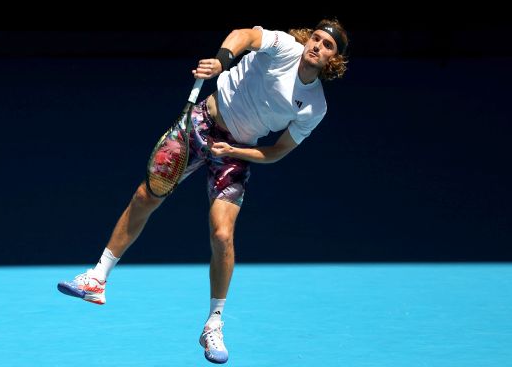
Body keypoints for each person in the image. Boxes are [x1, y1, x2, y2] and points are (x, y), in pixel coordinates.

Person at [57, 18, 349, 364]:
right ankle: (97, 278)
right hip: (200, 124)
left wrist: (235, 153)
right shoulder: (285, 46)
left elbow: (278, 151)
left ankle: (213, 324)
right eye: (315, 38)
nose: (316, 46)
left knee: (222, 234)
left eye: (326, 45)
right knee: (146, 195)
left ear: (334, 60)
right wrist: (223, 60)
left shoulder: (315, 106)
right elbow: (245, 35)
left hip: (235, 151)